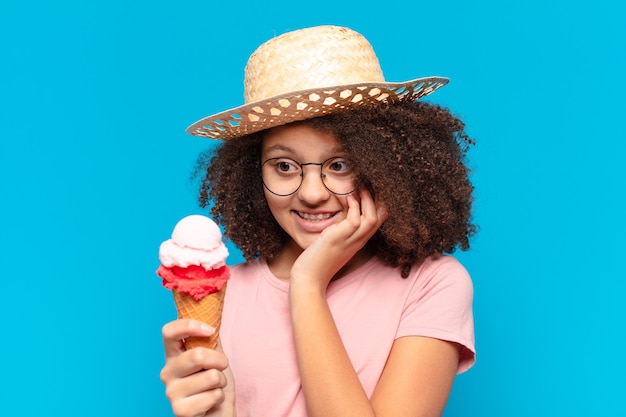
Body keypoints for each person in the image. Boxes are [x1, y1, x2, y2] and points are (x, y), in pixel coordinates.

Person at [160, 25, 476, 417]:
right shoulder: (225, 294)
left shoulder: (433, 285)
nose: (311, 192)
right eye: (285, 166)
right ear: (252, 174)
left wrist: (308, 284)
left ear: (388, 167)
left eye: (339, 165)